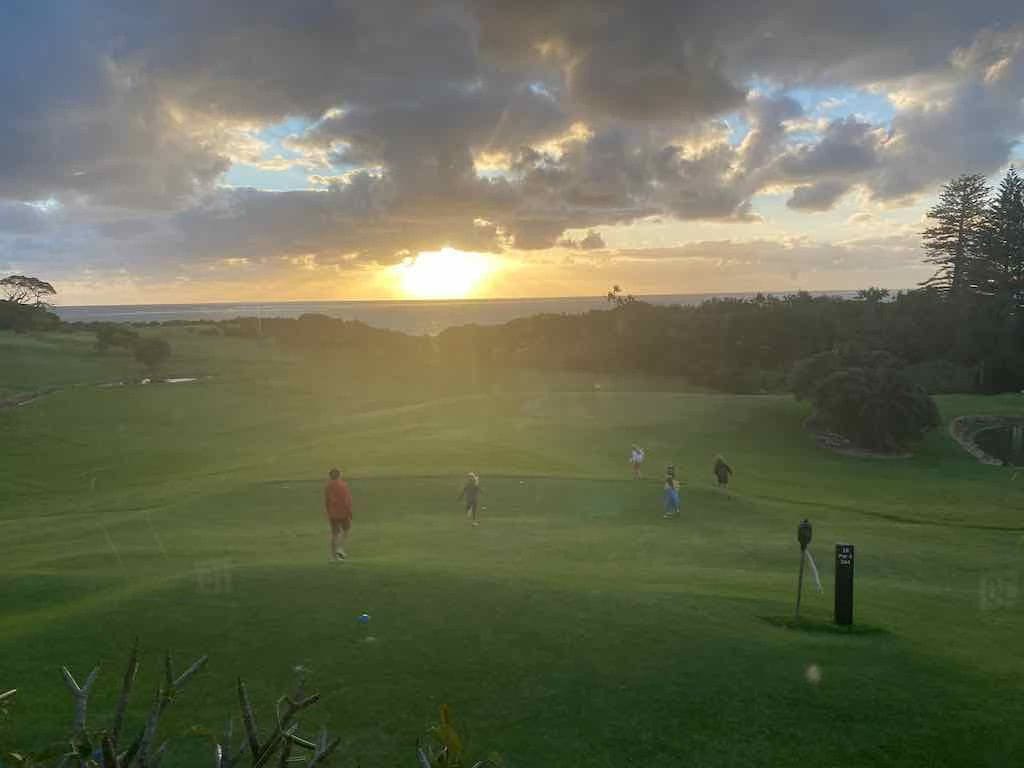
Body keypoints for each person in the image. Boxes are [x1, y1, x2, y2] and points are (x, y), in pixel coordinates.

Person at [324, 468, 353, 561]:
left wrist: (329, 512)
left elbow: (327, 501)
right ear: (339, 475)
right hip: (343, 512)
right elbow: (346, 500)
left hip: (333, 513)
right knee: (346, 530)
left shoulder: (328, 486)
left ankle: (334, 557)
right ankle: (340, 548)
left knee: (335, 534)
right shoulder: (343, 485)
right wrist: (349, 511)